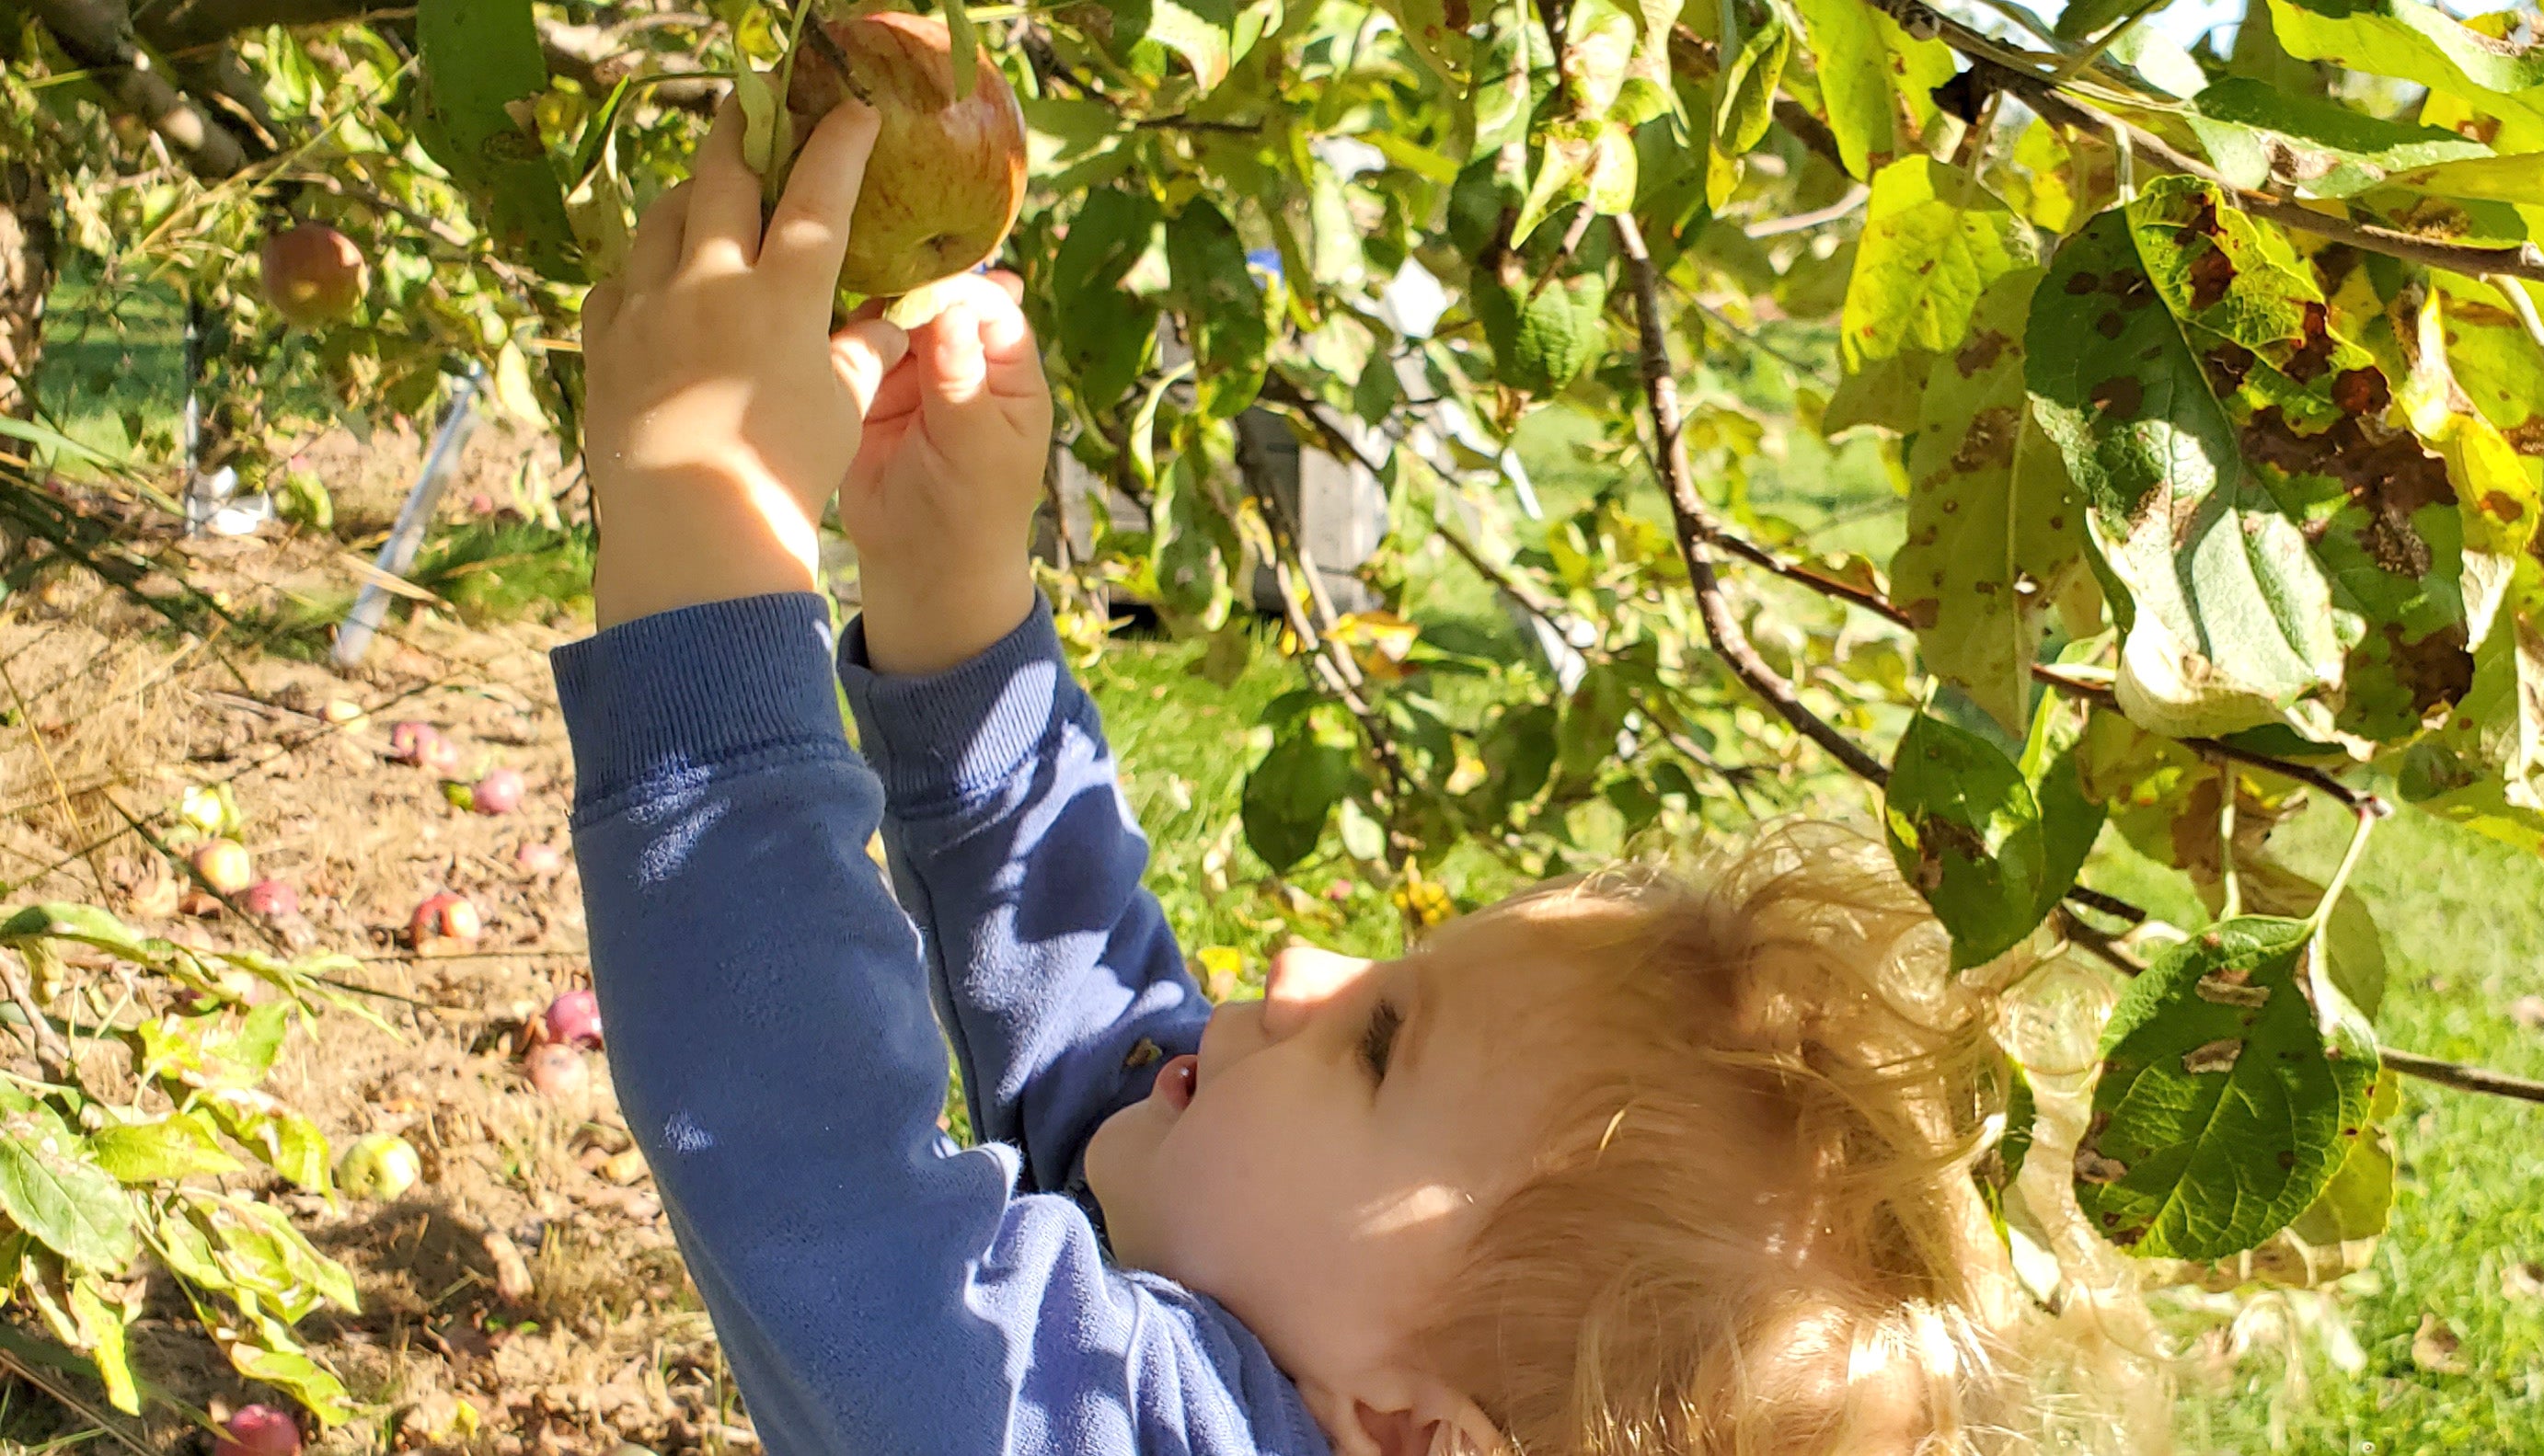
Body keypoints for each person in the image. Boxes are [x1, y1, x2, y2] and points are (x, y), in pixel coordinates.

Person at [553, 97, 2158, 1456]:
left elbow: (829, 1208)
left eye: (1383, 1047)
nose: (1301, 967)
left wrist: (707, 545)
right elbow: (1098, 1066)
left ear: (1408, 1428)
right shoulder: (1291, 1336)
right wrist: (956, 603)